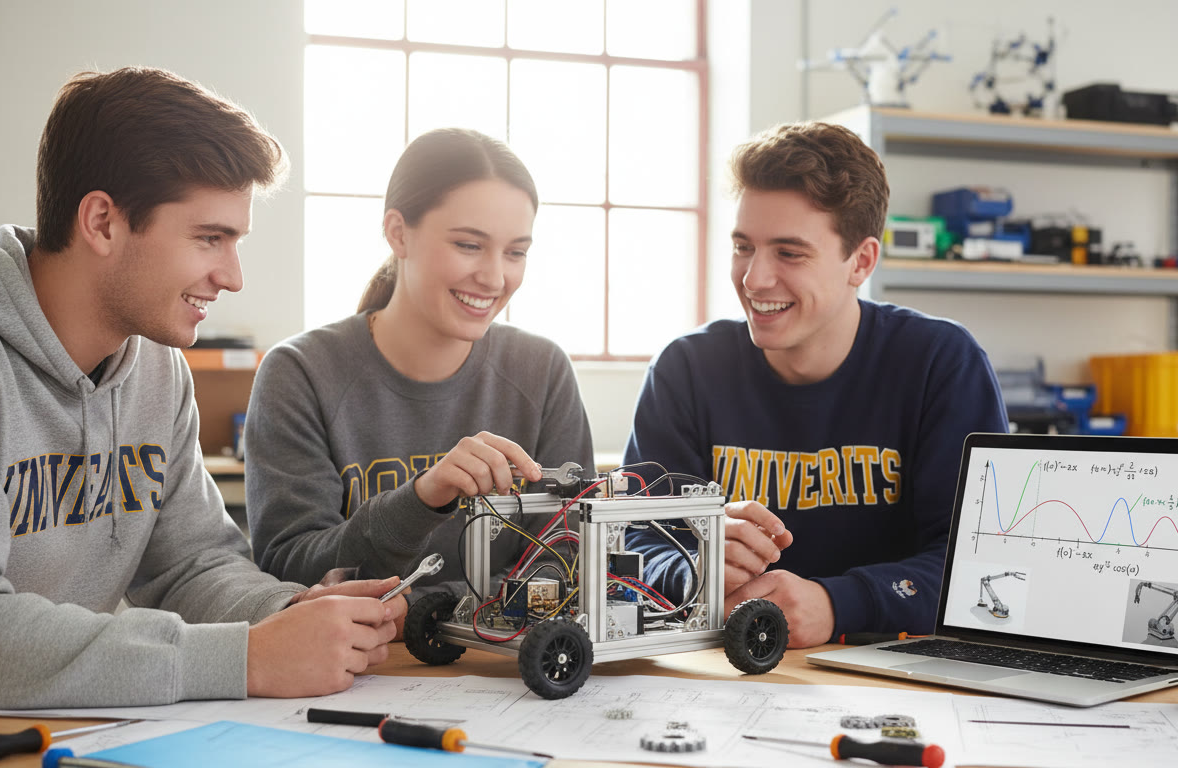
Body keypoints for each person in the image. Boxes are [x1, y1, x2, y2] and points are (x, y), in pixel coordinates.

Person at [0, 67, 408, 709]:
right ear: (102, 222)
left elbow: (191, 567)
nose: (233, 276)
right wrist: (246, 659)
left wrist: (290, 611)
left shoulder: (156, 365)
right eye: (209, 238)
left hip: (65, 731)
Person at [623, 121, 1007, 648]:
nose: (754, 279)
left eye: (789, 252)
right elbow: (632, 539)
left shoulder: (941, 363)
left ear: (862, 261)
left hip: (895, 672)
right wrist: (696, 565)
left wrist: (836, 604)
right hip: (722, 672)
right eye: (743, 247)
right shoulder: (685, 370)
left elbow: (979, 563)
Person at [244, 128, 594, 598]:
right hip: (356, 664)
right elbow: (290, 567)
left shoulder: (542, 370)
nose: (495, 277)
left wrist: (430, 611)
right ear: (397, 233)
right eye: (469, 245)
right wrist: (421, 499)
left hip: (503, 663)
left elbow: (570, 555)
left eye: (516, 252)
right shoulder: (301, 373)